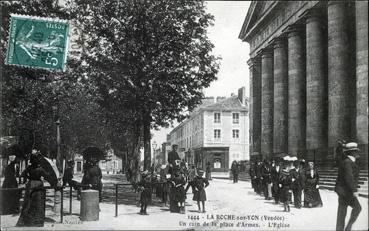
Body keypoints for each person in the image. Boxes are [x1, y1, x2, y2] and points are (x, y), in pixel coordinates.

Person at [16, 152, 50, 227]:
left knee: (28, 203)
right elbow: (47, 176)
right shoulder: (40, 169)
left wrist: (30, 178)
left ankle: (26, 220)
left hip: (30, 184)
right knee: (38, 203)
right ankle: (37, 221)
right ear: (37, 161)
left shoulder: (29, 168)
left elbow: (22, 174)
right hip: (38, 185)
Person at [335, 142, 362, 231]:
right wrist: (354, 190)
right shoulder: (347, 162)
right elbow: (349, 177)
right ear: (352, 152)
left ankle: (347, 228)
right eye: (356, 151)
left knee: (343, 213)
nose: (357, 153)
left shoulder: (349, 161)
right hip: (345, 192)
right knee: (352, 209)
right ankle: (346, 228)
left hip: (345, 191)